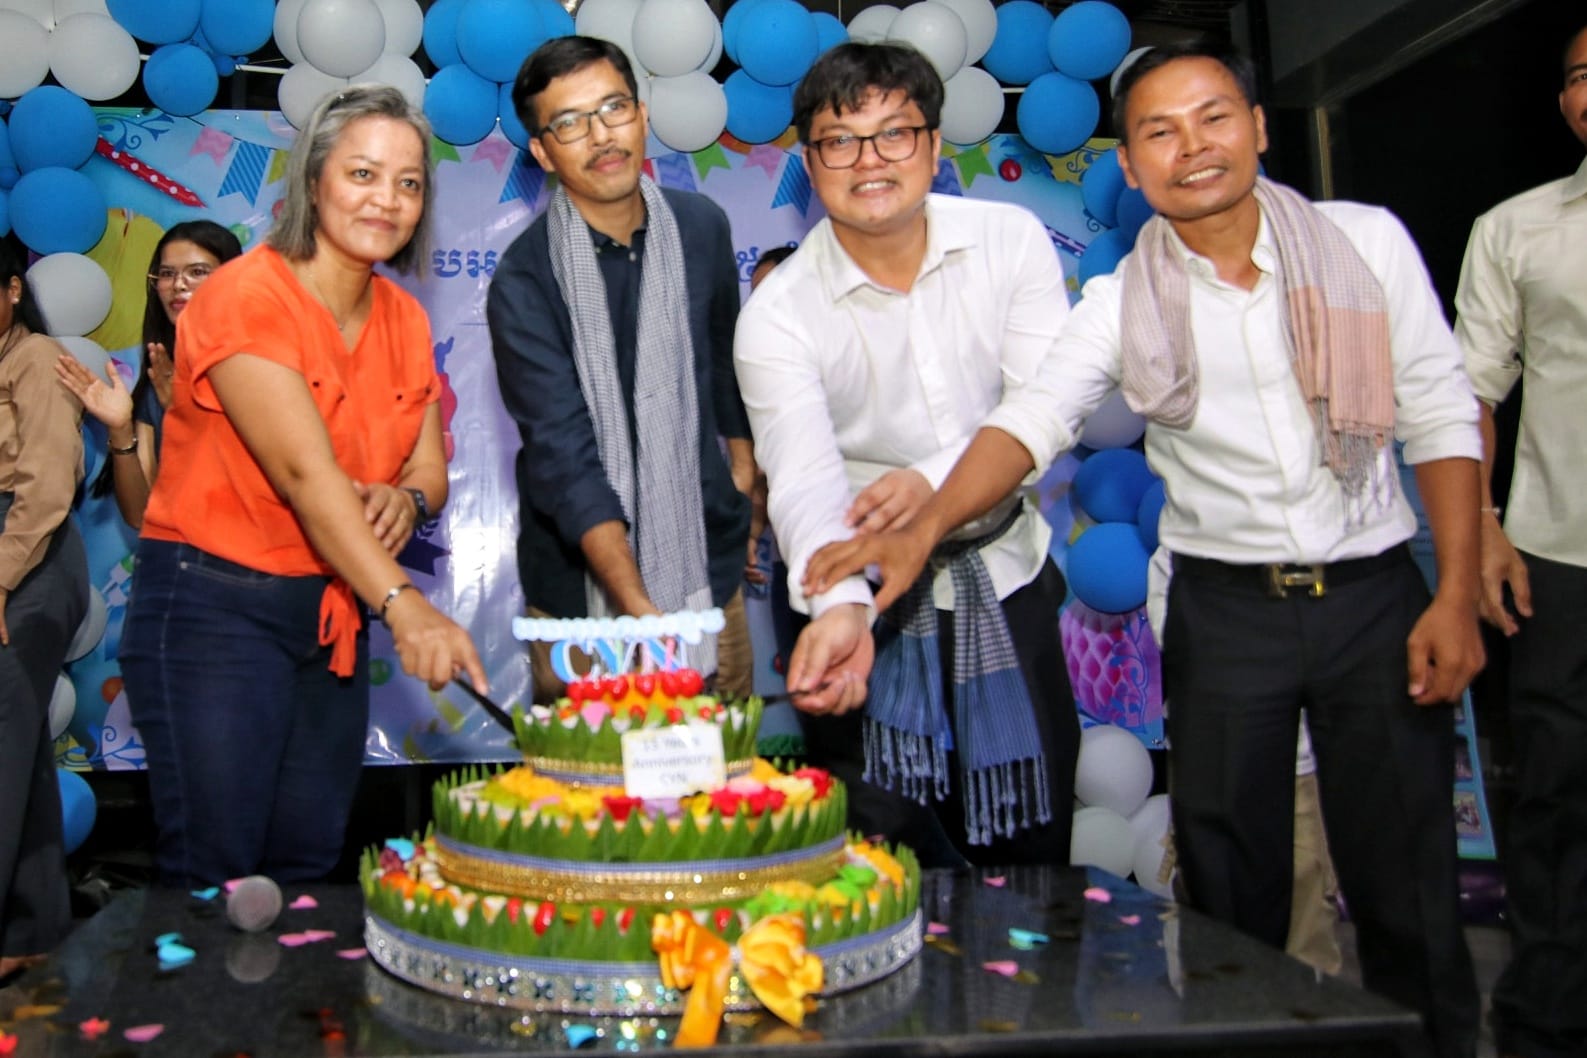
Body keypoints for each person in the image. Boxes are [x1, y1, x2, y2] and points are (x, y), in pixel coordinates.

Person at [804, 40, 1483, 1057]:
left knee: (1407, 887)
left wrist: (1455, 591)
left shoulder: (1365, 243)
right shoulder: (1122, 301)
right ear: (1128, 164)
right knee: (1230, 886)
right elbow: (1030, 420)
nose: (1191, 147)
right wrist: (926, 528)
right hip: (1224, 613)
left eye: (1214, 117)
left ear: (1258, 127)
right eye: (1159, 132)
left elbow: (1439, 411)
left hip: (1372, 598)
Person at [116, 85, 486, 888]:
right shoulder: (243, 295)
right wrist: (405, 604)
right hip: (214, 608)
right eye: (362, 173)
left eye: (409, 182)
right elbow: (304, 475)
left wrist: (407, 500)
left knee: (309, 865)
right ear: (314, 181)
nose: (386, 199)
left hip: (331, 617)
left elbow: (427, 469)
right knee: (217, 872)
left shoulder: (405, 318)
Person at [734, 42, 1080, 868]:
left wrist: (928, 486)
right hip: (857, 593)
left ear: (932, 144)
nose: (869, 161)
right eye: (839, 141)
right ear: (808, 162)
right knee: (878, 853)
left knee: (1030, 834)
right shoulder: (777, 314)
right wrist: (841, 609)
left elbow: (1045, 405)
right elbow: (804, 485)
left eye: (894, 133)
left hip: (1005, 576)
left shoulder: (1008, 240)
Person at [487, 36, 753, 701]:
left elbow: (728, 366)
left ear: (642, 114)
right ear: (543, 152)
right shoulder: (524, 278)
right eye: (570, 123)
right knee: (593, 771)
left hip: (707, 575)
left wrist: (743, 477)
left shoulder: (702, 228)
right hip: (580, 603)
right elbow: (563, 454)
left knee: (722, 764)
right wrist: (636, 608)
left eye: (613, 108)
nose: (601, 135)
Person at [1454, 23, 1587, 1058]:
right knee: (1558, 791)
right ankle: (1546, 1014)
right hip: (1560, 550)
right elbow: (1471, 395)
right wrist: (1485, 529)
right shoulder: (1515, 228)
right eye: (1582, 74)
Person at [0, 233, 89, 981]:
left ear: (11, 292)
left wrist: (0, 579)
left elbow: (49, 484)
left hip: (27, 555)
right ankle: (31, 932)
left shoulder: (34, 358)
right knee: (19, 751)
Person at [56, 220, 243, 528]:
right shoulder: (160, 374)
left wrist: (185, 416)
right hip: (182, 551)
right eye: (167, 273)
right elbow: (140, 515)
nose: (178, 284)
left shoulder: (260, 366)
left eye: (197, 271)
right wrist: (120, 429)